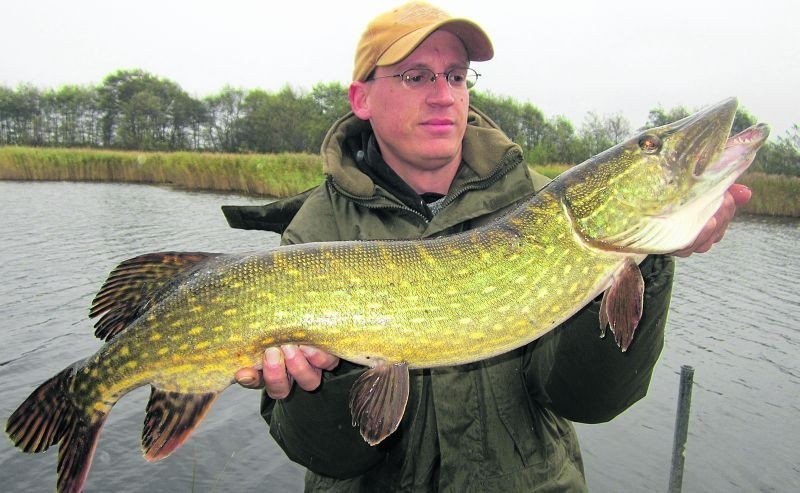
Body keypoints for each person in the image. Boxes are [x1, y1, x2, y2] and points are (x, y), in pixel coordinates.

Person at [229, 2, 750, 490]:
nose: (442, 94)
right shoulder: (313, 230)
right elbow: (328, 456)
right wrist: (325, 383)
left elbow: (590, 399)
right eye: (416, 76)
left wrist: (652, 256)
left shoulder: (535, 204)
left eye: (456, 76)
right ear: (361, 98)